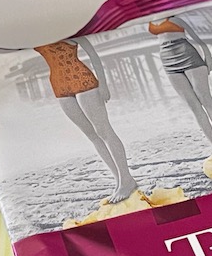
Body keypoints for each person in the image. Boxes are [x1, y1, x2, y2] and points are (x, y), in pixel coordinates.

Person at [32, 37, 137, 201]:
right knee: (91, 135)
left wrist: (103, 84)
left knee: (104, 131)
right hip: (59, 86)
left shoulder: (71, 28)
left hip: (81, 79)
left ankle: (126, 178)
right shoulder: (38, 33)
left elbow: (93, 55)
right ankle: (120, 180)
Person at [147, 15, 212, 161]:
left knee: (205, 98)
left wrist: (208, 56)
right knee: (194, 106)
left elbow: (196, 36)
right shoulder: (148, 20)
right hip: (166, 58)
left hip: (185, 51)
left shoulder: (174, 18)